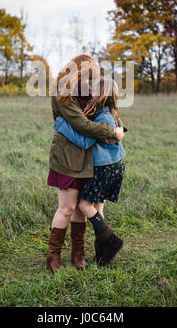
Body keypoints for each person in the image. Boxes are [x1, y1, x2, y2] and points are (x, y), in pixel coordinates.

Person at [46, 54, 124, 273]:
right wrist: (112, 132)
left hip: (89, 159)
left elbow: (104, 110)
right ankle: (53, 254)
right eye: (88, 78)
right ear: (78, 74)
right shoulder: (63, 93)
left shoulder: (89, 92)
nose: (91, 84)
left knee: (81, 208)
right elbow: (83, 125)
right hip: (68, 157)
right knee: (67, 207)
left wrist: (117, 127)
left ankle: (78, 253)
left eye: (93, 79)